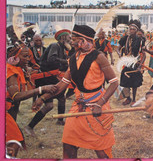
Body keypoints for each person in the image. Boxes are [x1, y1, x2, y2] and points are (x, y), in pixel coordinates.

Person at [32, 24, 118, 159]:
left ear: (83, 41)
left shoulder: (99, 57)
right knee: (68, 144)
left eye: (73, 39)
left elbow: (114, 83)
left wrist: (99, 104)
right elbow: (61, 85)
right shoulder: (73, 59)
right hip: (78, 108)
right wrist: (42, 98)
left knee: (101, 150)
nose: (70, 42)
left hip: (96, 106)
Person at [6, 34, 55, 158]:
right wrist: (42, 89)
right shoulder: (11, 71)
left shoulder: (19, 69)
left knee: (16, 138)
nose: (28, 59)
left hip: (10, 109)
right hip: (6, 109)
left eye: (29, 56)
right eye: (25, 56)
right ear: (15, 57)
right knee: (14, 143)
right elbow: (16, 96)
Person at [24, 29, 72, 136]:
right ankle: (29, 126)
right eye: (69, 38)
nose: (70, 40)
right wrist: (66, 61)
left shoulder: (62, 49)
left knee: (61, 98)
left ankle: (60, 120)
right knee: (49, 105)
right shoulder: (55, 46)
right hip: (44, 78)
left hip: (50, 77)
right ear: (63, 38)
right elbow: (51, 60)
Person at [117, 19, 146, 106]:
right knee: (125, 81)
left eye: (133, 29)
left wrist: (140, 66)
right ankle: (128, 98)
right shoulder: (124, 38)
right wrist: (120, 54)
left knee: (134, 83)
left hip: (135, 63)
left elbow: (144, 55)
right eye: (130, 28)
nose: (131, 30)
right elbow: (118, 48)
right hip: (126, 63)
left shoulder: (140, 40)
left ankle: (133, 99)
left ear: (137, 30)